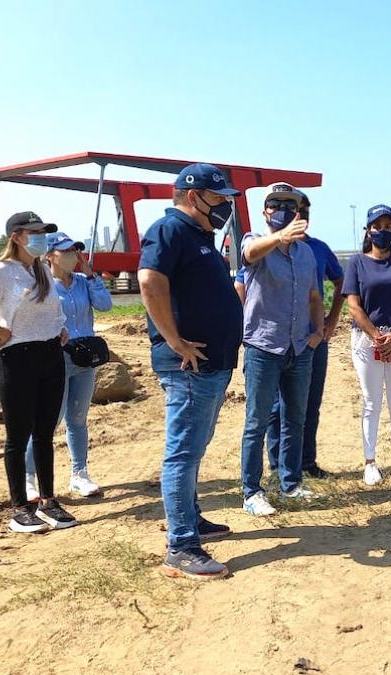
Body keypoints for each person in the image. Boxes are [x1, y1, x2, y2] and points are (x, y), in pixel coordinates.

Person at [138, 163, 244, 581]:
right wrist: (175, 340)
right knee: (182, 452)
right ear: (192, 195)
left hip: (212, 363)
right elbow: (149, 281)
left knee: (194, 448)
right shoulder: (170, 231)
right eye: (219, 199)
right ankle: (181, 546)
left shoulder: (200, 236)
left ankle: (192, 518)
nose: (225, 207)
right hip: (188, 366)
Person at [0, 212, 78, 534]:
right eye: (35, 232)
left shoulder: (40, 269)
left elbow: (55, 309)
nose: (41, 237)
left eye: (43, 232)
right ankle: (19, 508)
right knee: (17, 437)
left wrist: (60, 328)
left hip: (50, 356)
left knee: (44, 434)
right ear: (17, 237)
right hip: (18, 359)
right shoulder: (2, 273)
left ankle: (48, 501)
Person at [235, 190, 345, 480]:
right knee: (258, 420)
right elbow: (248, 256)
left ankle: (291, 481)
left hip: (300, 347)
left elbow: (313, 295)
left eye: (290, 206)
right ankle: (253, 488)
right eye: (275, 205)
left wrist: (320, 330)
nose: (282, 209)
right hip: (264, 347)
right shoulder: (253, 240)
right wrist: (279, 238)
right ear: (265, 212)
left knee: (296, 417)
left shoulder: (308, 252)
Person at [23, 232, 112, 500]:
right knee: (49, 420)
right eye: (67, 251)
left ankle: (79, 474)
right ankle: (28, 477)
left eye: (76, 250)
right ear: (50, 256)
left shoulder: (84, 282)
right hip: (56, 359)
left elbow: (106, 305)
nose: (73, 255)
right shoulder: (42, 286)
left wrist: (92, 276)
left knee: (77, 419)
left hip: (85, 357)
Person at [342, 204, 391, 486]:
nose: (383, 232)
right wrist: (375, 334)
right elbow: (353, 305)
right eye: (378, 227)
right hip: (366, 341)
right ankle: (370, 462)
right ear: (368, 230)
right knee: (371, 401)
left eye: (388, 227)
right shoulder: (356, 263)